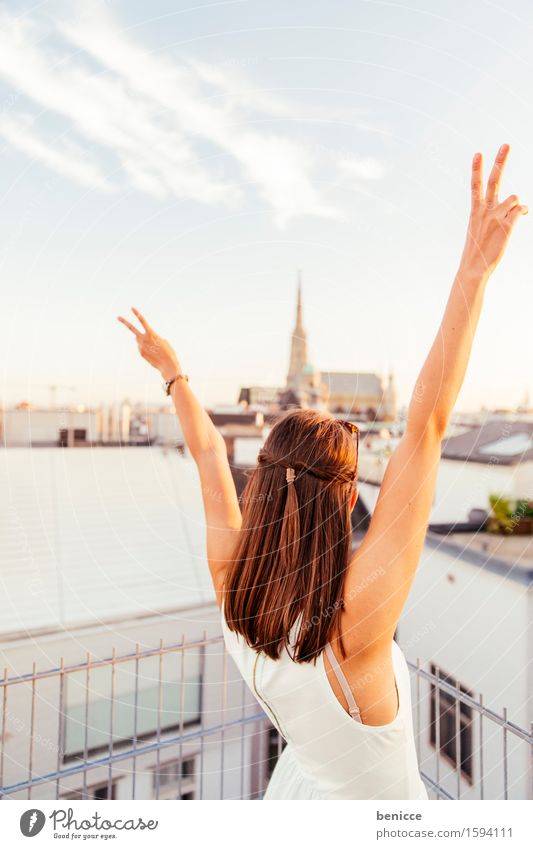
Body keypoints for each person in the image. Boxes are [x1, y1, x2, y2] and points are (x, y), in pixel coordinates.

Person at [117, 145, 526, 800]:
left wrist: (172, 372)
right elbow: (423, 425)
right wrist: (472, 274)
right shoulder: (350, 621)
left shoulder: (233, 589)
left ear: (266, 478)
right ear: (339, 501)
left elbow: (206, 453)